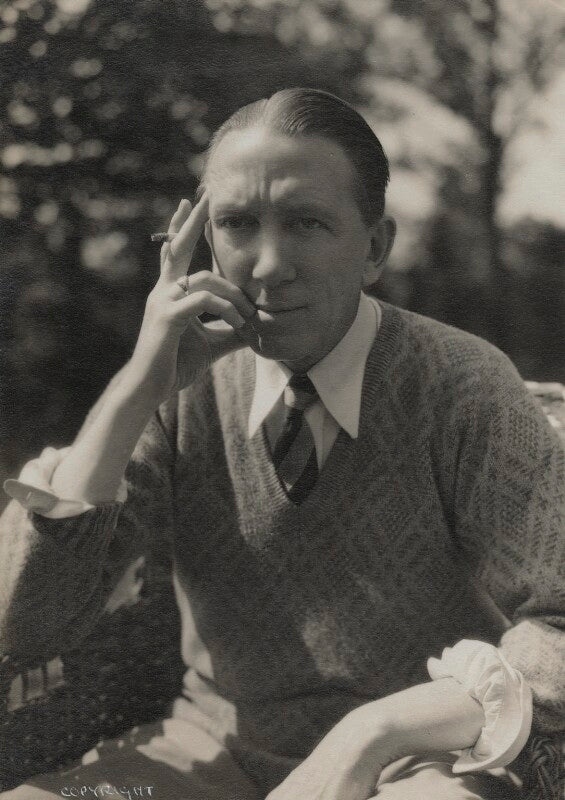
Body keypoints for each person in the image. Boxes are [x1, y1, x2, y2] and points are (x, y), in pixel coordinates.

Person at [0, 87, 563, 800]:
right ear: (204, 242)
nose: (267, 264)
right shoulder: (181, 392)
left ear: (374, 248)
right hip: (215, 755)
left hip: (423, 761)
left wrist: (373, 731)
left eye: (306, 223)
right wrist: (137, 388)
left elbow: (558, 622)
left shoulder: (463, 385)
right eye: (237, 223)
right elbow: (29, 627)